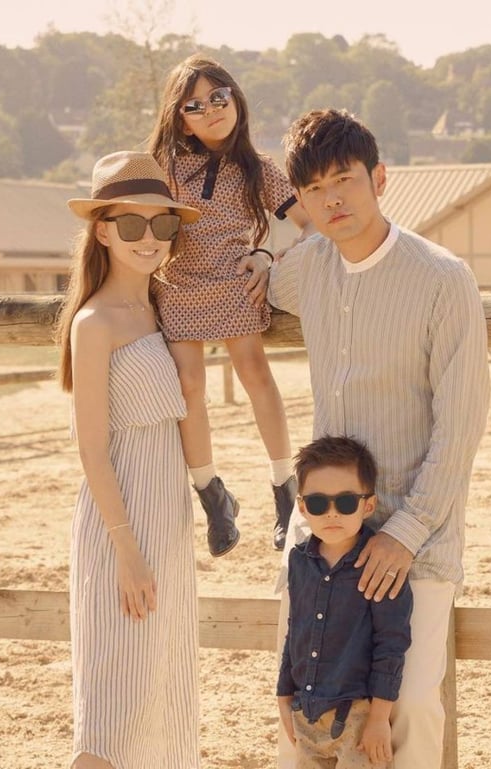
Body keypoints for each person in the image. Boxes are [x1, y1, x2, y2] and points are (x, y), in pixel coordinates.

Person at [264, 109, 491, 769]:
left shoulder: (443, 278)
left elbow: (463, 421)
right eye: (315, 189)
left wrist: (407, 529)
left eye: (346, 180)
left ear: (380, 178)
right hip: (323, 540)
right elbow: (259, 280)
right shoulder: (307, 269)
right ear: (302, 200)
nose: (333, 199)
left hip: (410, 543)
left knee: (412, 708)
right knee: (301, 715)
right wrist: (257, 251)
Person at [56, 151, 203, 769]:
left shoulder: (161, 308)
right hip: (123, 529)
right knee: (114, 712)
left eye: (163, 225)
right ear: (103, 230)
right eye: (133, 225)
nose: (150, 239)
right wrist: (127, 550)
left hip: (167, 518)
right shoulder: (94, 323)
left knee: (160, 694)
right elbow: (92, 447)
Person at [147, 55, 314, 556]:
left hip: (234, 281)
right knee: (189, 388)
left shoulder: (256, 168)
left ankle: (285, 493)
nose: (211, 111)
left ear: (235, 98)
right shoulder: (163, 167)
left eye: (219, 98)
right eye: (195, 105)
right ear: (181, 118)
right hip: (177, 284)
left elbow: (309, 222)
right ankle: (213, 498)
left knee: (256, 375)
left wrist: (267, 256)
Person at [277, 435, 413, 768]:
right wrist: (284, 694)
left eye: (347, 502)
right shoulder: (299, 561)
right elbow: (295, 630)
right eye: (320, 503)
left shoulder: (380, 567)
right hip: (306, 712)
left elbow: (390, 644)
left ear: (368, 505)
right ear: (303, 507)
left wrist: (380, 718)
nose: (333, 513)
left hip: (359, 718)